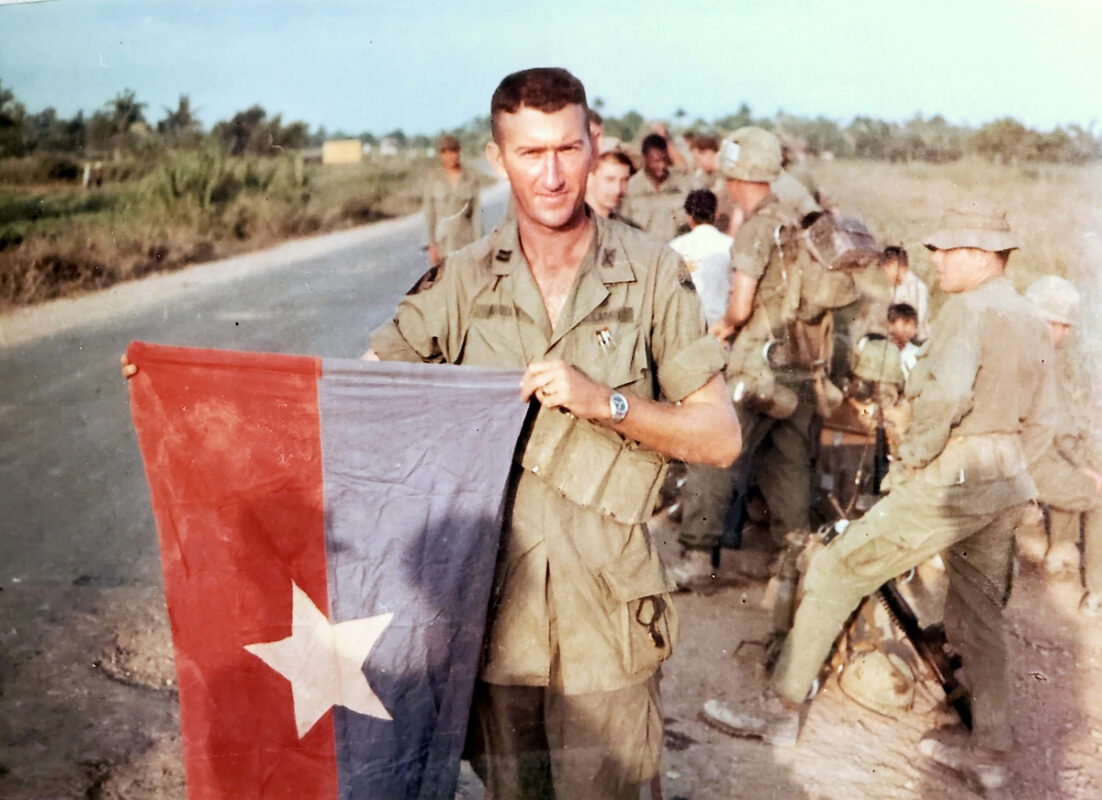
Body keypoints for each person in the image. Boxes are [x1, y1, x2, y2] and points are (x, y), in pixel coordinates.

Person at [367, 67, 741, 800]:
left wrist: (610, 405)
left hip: (606, 621)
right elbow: (360, 397)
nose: (551, 175)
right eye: (530, 153)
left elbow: (721, 437)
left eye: (568, 150)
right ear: (495, 159)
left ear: (594, 144)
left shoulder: (653, 273)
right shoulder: (463, 282)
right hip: (495, 620)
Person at [702, 203, 1055, 791]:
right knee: (980, 615)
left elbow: (942, 402)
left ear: (976, 254)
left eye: (944, 250)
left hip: (955, 476)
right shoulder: (1029, 316)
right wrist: (1012, 470)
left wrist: (912, 463)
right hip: (1009, 479)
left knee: (839, 571)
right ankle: (992, 757)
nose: (935, 260)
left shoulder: (970, 312)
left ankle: (779, 715)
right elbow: (1044, 420)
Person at [668, 127, 851, 590]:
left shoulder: (754, 228)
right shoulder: (794, 219)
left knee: (714, 449)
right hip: (799, 362)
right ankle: (792, 563)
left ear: (734, 176)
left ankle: (696, 558)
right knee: (788, 461)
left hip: (758, 364)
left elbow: (741, 306)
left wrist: (721, 328)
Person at [1024, 275, 1102, 612]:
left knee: (1070, 472)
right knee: (1096, 493)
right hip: (1027, 463)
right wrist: (1087, 469)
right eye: (1062, 325)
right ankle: (1097, 594)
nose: (1067, 333)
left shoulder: (1012, 348)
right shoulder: (1043, 358)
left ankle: (1060, 551)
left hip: (1005, 453)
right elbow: (1062, 433)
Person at [668, 189, 734, 328]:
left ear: (688, 216)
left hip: (686, 322)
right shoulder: (730, 245)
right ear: (716, 215)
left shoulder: (675, 247)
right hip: (722, 322)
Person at [421, 134, 483, 268]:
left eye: (453, 151)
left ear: (459, 152)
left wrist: (479, 245)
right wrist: (431, 245)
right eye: (445, 152)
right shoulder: (433, 178)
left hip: (466, 244)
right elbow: (429, 213)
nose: (449, 156)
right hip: (442, 243)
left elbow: (477, 214)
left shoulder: (470, 178)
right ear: (440, 155)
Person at [618, 132, 692, 242]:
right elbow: (623, 226)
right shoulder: (631, 187)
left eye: (665, 160)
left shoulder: (681, 184)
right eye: (656, 161)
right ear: (645, 158)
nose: (662, 165)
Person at [879, 245, 930, 341]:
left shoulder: (917, 286)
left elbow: (921, 315)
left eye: (886, 270)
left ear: (894, 264)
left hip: (918, 339)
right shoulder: (894, 289)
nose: (885, 275)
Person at [687, 135, 736, 234]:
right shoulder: (705, 176)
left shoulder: (728, 174)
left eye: (698, 159)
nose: (697, 163)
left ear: (709, 153)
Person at [585, 147, 634, 221]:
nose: (617, 189)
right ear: (589, 179)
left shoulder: (626, 229)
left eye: (624, 180)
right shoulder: (570, 226)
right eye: (610, 180)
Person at [886, 302, 920, 378]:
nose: (909, 329)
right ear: (891, 325)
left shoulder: (915, 353)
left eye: (913, 325)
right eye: (905, 323)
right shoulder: (882, 351)